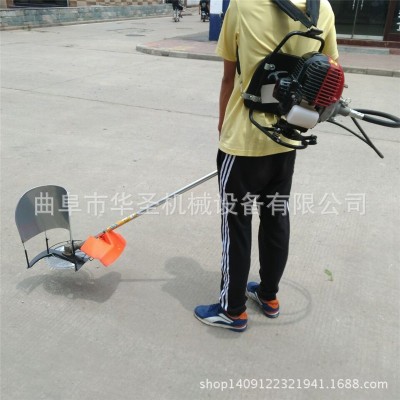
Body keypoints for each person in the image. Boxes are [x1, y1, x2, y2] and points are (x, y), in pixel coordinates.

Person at [194, 0, 339, 332]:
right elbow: (329, 74)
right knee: (276, 216)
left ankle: (232, 309)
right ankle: (269, 295)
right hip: (286, 137)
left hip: (243, 140)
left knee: (236, 224)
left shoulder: (242, 5)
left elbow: (229, 78)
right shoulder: (322, 8)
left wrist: (222, 125)